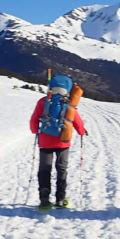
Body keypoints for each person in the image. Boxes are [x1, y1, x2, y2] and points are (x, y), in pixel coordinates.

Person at [29, 76, 87, 209]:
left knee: (44, 169)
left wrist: (35, 131)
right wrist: (82, 131)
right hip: (63, 142)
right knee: (61, 169)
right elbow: (76, 121)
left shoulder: (43, 101)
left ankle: (44, 199)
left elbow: (34, 120)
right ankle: (60, 199)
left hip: (45, 142)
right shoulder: (68, 104)